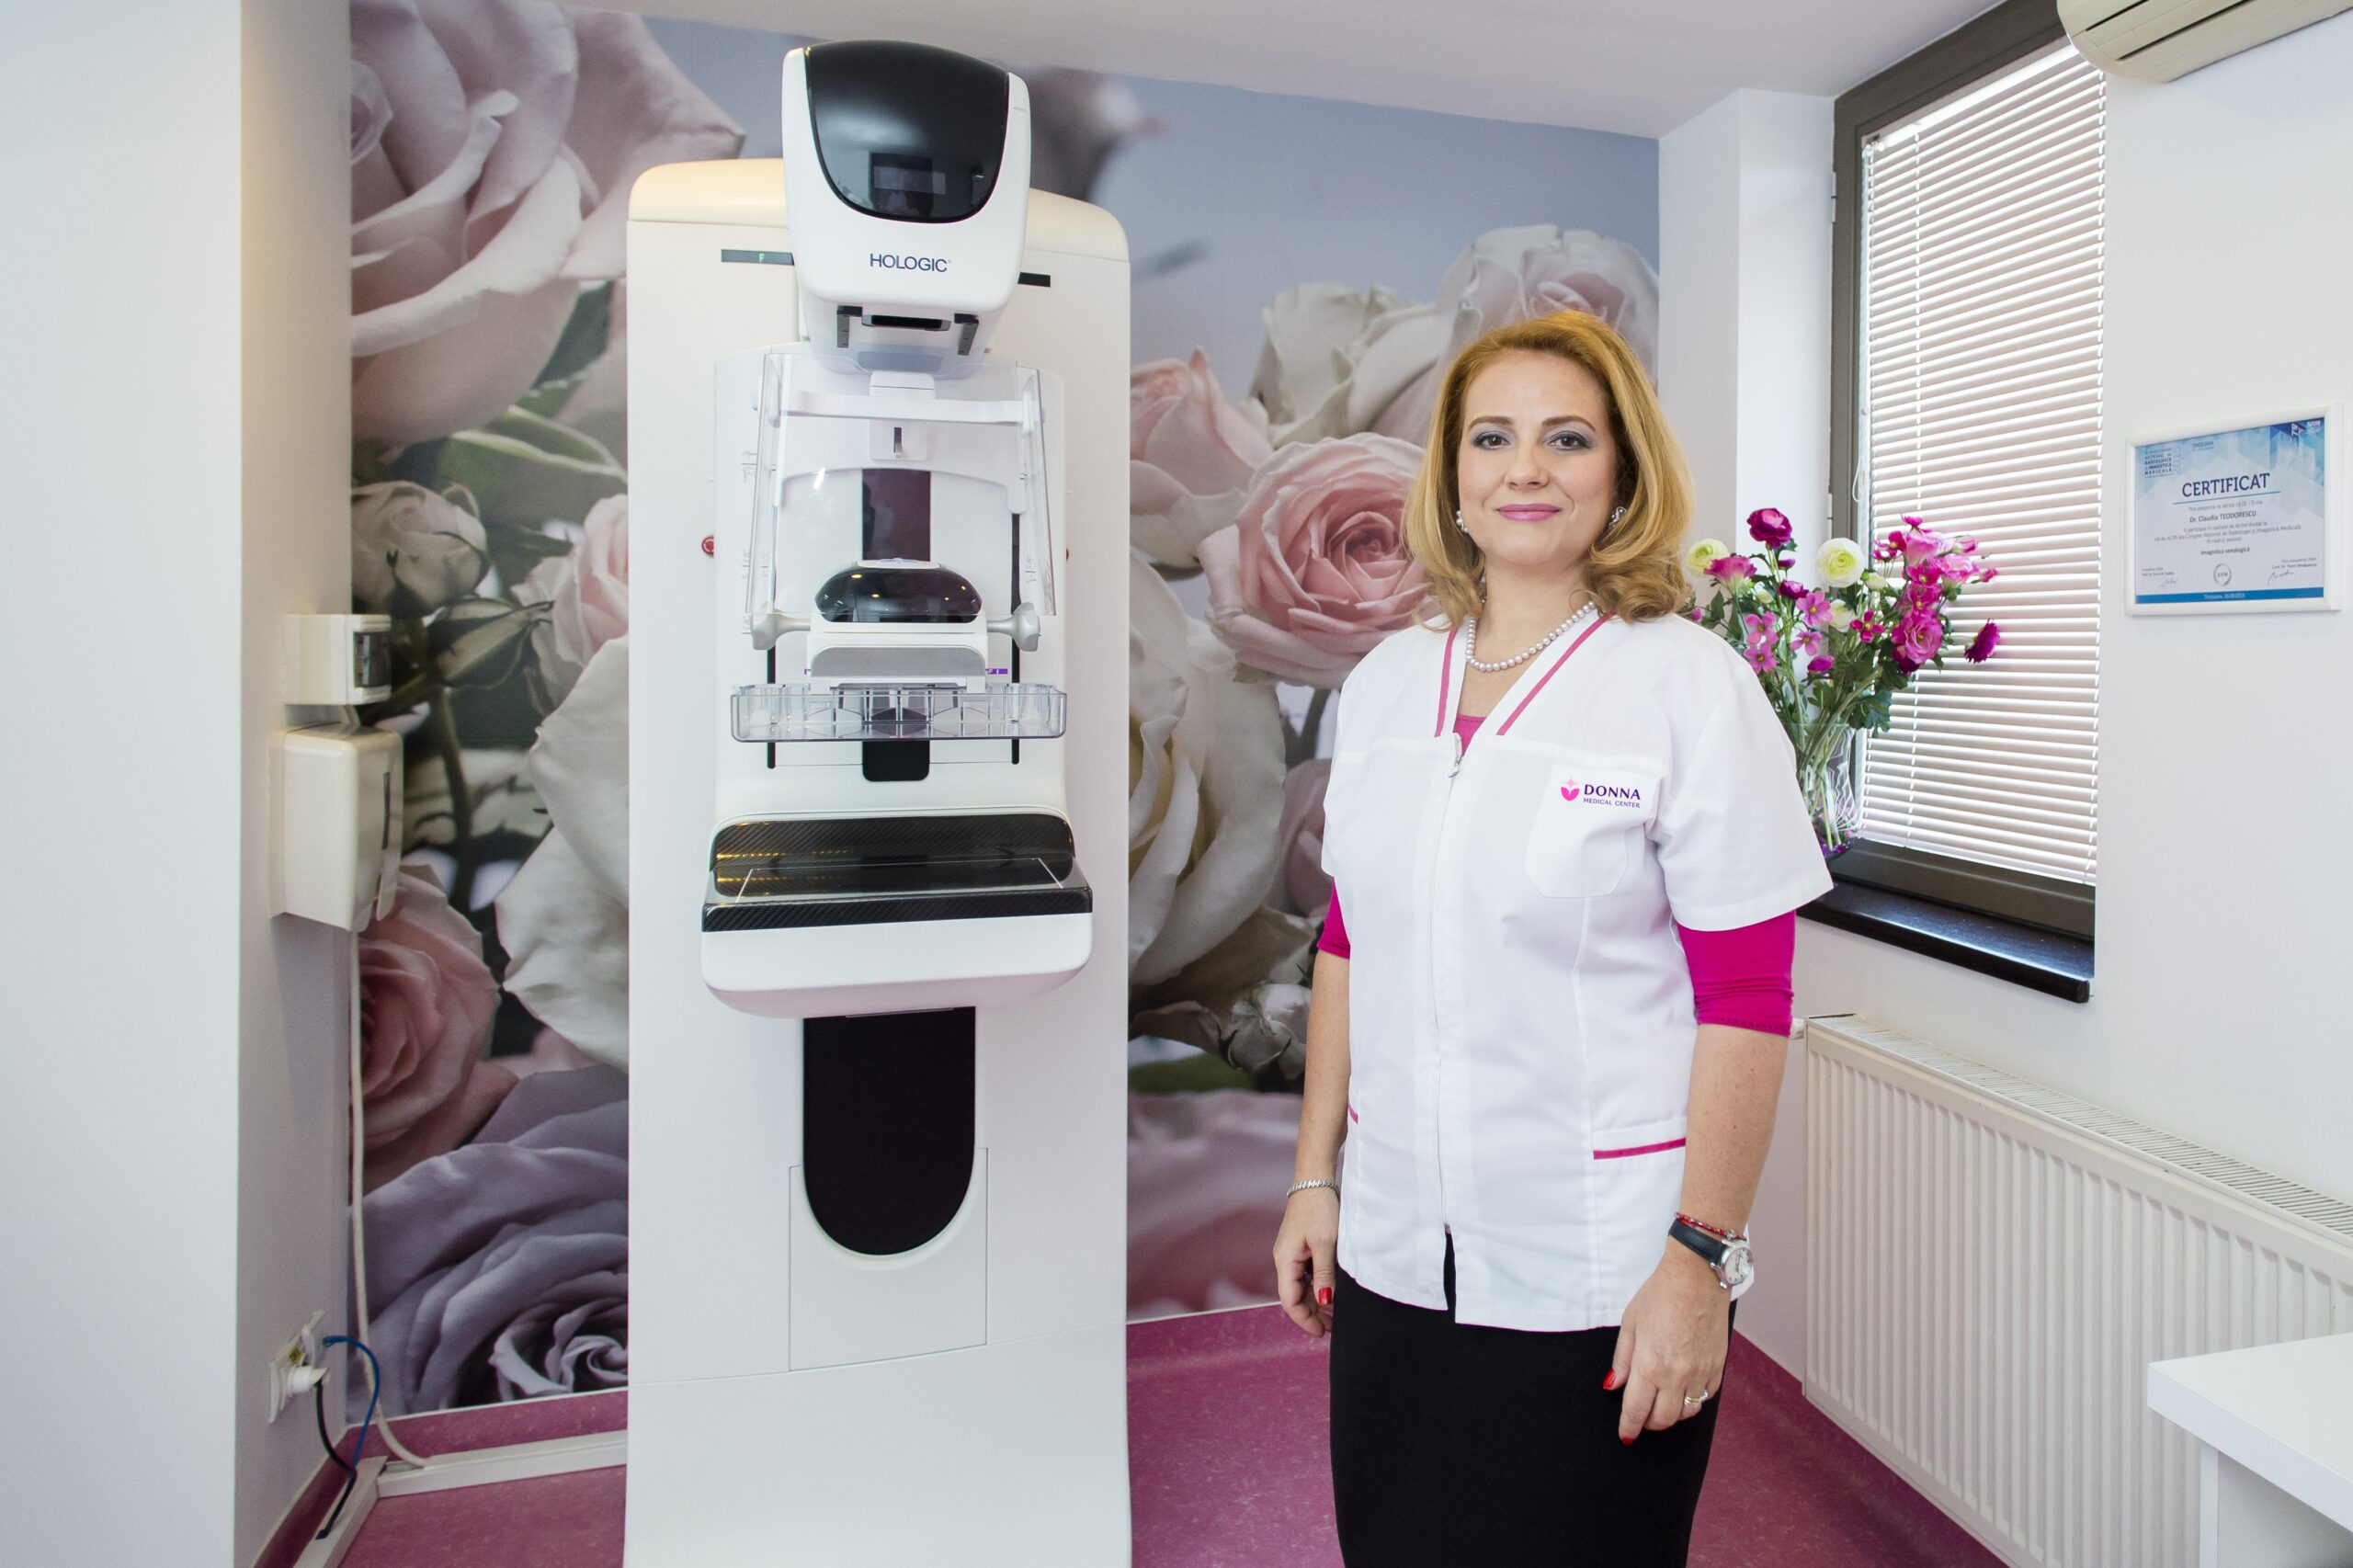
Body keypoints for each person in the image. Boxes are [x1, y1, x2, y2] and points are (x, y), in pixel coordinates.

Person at [1271, 310, 1832, 1566]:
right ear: (1452, 476)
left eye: (1568, 438)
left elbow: (1748, 997)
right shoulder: (1385, 684)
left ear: (1621, 471)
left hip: (1601, 1266)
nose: (1526, 468)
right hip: (1397, 1254)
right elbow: (1352, 938)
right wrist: (1316, 1175)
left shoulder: (1687, 685)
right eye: (1492, 438)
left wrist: (1700, 1260)